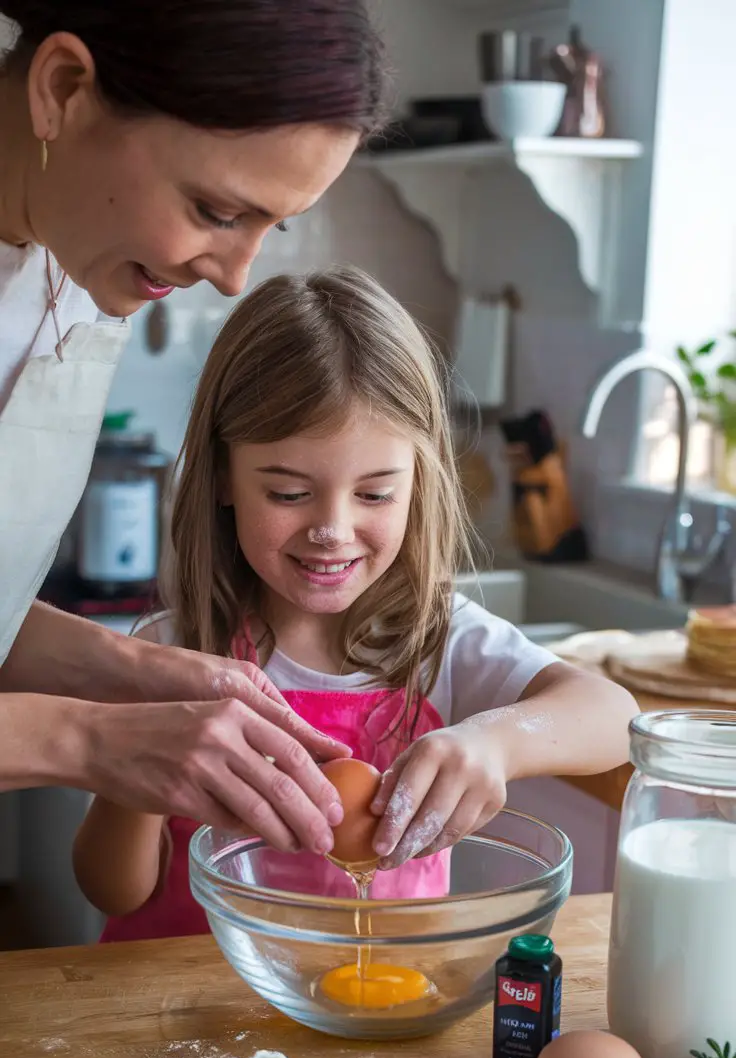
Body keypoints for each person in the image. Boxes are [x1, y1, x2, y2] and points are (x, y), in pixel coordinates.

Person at [72, 267, 638, 941]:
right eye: (287, 493)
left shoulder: (440, 644)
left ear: (417, 483)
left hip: (368, 1014)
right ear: (223, 476)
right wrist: (138, 776)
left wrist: (495, 743)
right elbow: (112, 890)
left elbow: (615, 718)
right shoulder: (174, 653)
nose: (331, 530)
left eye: (374, 494)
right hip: (182, 1012)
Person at [0, 0, 387, 860]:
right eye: (217, 211)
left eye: (271, 225)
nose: (233, 276)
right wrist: (86, 741)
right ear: (62, 89)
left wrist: (143, 674)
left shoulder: (76, 253)